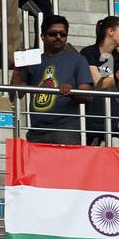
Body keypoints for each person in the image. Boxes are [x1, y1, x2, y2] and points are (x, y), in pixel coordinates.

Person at [11, 14, 92, 144]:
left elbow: (87, 96)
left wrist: (71, 92)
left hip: (65, 130)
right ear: (42, 37)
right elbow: (14, 95)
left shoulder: (78, 59)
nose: (58, 37)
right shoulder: (33, 60)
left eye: (63, 34)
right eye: (53, 34)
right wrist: (17, 69)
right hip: (36, 131)